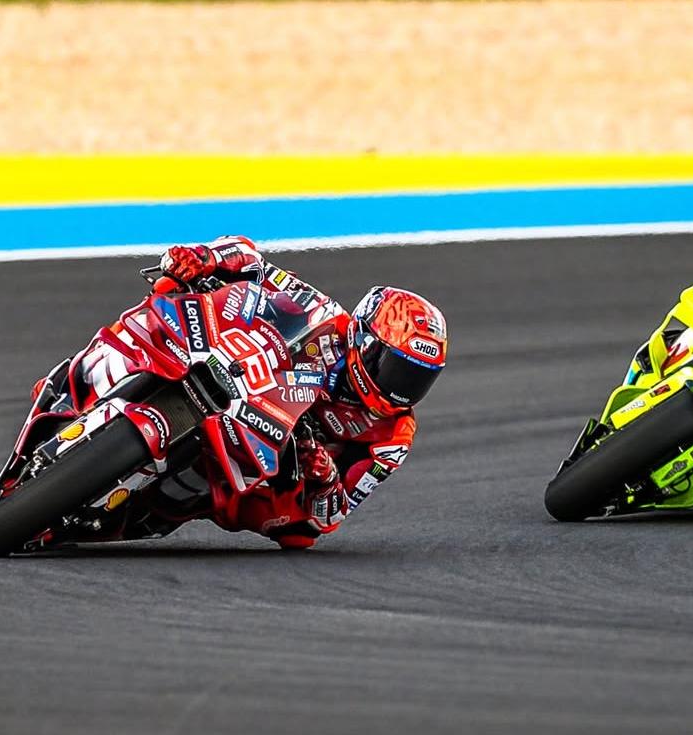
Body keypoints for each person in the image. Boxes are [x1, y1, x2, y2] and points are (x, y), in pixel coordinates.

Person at [32, 235, 448, 548]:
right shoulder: (321, 313)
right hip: (237, 380)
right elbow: (253, 261)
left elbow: (331, 517)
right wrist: (204, 258)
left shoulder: (394, 436)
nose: (401, 389)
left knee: (294, 534)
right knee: (160, 303)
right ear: (366, 340)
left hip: (272, 466)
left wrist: (323, 479)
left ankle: (136, 507)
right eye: (398, 369)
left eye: (417, 378)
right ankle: (79, 380)